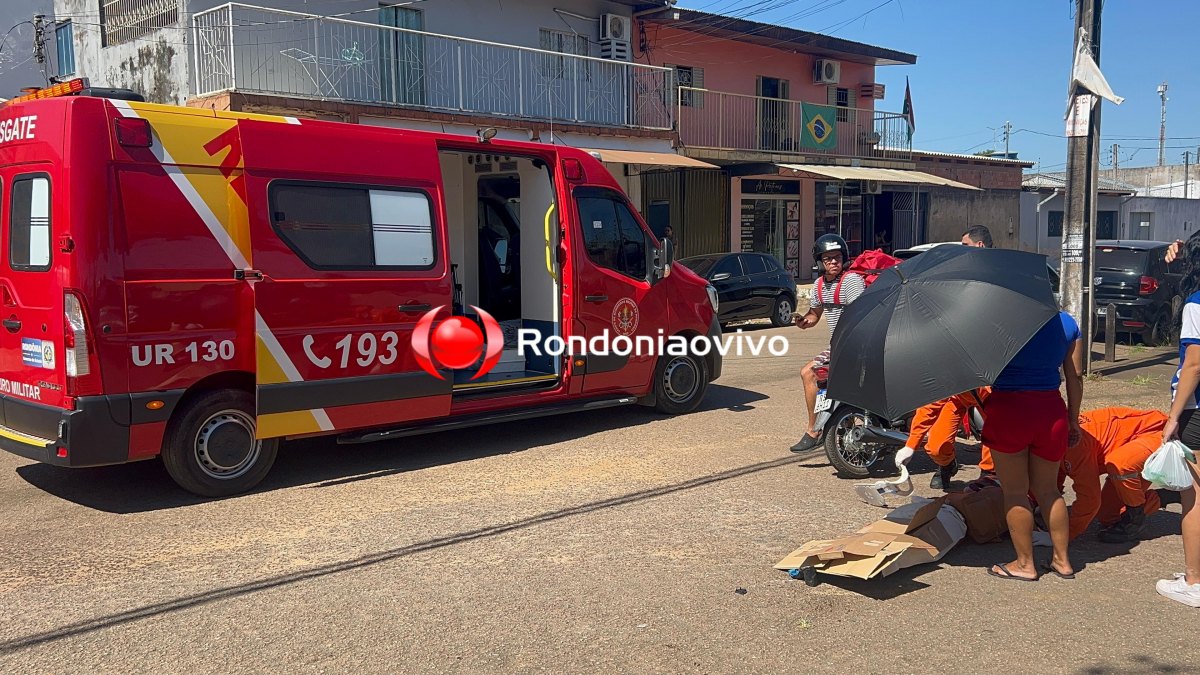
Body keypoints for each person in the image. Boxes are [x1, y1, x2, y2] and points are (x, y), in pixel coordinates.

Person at [896, 224, 999, 488]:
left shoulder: (994, 278)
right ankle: (947, 464)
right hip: (959, 388)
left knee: (996, 431)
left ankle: (989, 476)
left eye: (964, 246)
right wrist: (910, 446)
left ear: (979, 246)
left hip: (985, 379)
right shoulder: (945, 364)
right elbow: (930, 404)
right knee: (936, 444)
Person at [984, 310, 1083, 582]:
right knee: (1049, 490)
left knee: (1015, 493)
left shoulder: (997, 319)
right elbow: (1075, 375)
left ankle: (1025, 564)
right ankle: (1063, 561)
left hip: (1009, 408)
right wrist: (1073, 420)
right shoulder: (1066, 322)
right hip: (1050, 410)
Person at [790, 234, 865, 454]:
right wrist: (804, 322)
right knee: (810, 374)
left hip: (857, 345)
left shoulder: (851, 281)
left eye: (837, 257)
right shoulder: (819, 285)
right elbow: (814, 314)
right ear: (820, 262)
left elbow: (860, 316)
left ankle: (814, 431)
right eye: (828, 258)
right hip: (838, 346)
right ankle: (827, 428)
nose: (833, 262)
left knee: (810, 373)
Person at [1156, 230, 1200, 606]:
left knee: (1195, 499)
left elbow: (1194, 366)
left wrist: (1173, 417)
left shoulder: (1195, 304)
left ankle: (1194, 581)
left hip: (1196, 410)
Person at [1062, 407, 1179, 543]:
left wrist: (1064, 535)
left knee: (1120, 464)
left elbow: (1090, 499)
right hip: (1128, 445)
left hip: (1159, 434)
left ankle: (1135, 519)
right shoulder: (1050, 442)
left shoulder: (1074, 444)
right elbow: (1049, 480)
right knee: (1108, 517)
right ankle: (1170, 496)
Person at [897, 389, 993, 490]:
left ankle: (990, 473)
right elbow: (929, 407)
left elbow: (996, 427)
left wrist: (988, 471)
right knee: (936, 448)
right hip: (957, 396)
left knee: (996, 434)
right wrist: (911, 445)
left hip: (990, 394)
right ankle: (948, 465)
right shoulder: (947, 376)